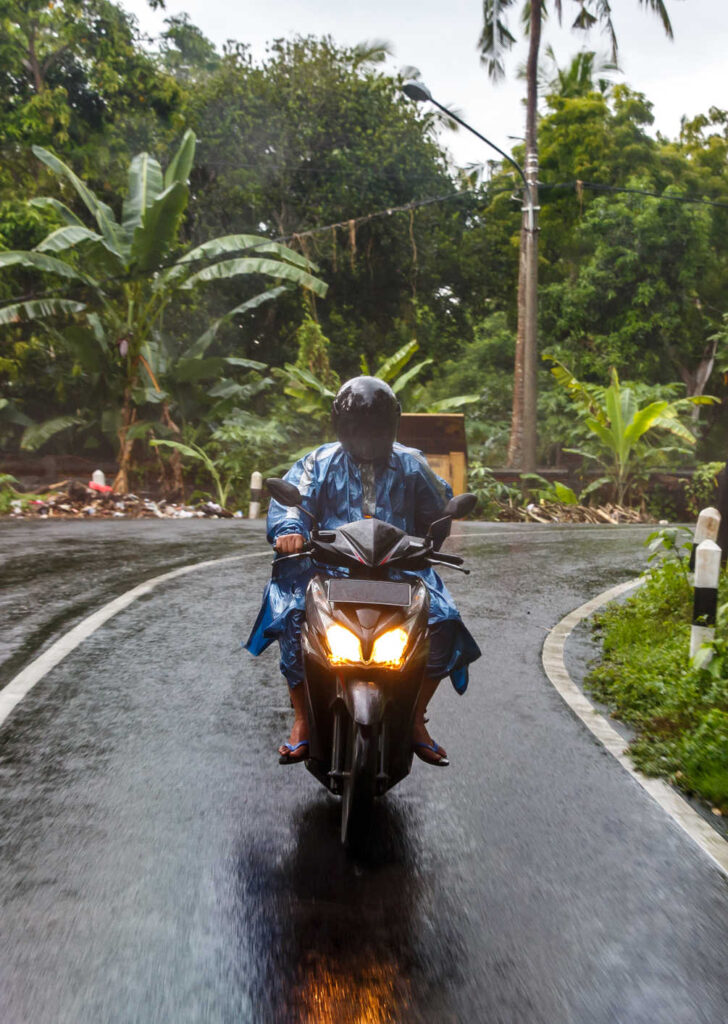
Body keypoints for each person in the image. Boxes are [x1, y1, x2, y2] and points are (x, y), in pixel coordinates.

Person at [245, 376, 481, 766]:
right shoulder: (318, 462)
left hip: (399, 572)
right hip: (327, 568)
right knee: (291, 617)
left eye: (376, 427)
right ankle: (302, 720)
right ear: (341, 426)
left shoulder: (412, 465)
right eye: (358, 427)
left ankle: (417, 718)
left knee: (444, 622)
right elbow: (292, 500)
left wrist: (430, 540)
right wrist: (290, 531)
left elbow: (438, 510)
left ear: (391, 426)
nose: (367, 436)